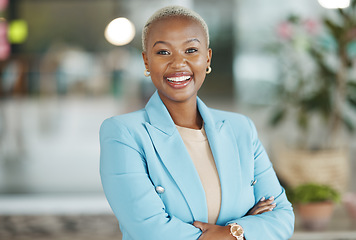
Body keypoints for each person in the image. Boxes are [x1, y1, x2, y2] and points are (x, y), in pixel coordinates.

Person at [100, 5, 294, 240]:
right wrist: (243, 229)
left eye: (191, 50)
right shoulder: (123, 134)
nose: (178, 63)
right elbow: (151, 231)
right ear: (146, 61)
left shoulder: (241, 129)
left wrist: (229, 233)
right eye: (163, 52)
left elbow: (282, 217)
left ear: (207, 58)